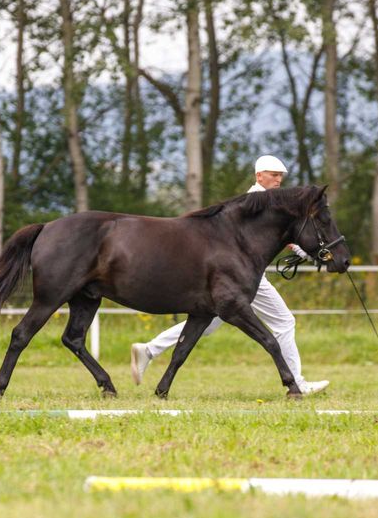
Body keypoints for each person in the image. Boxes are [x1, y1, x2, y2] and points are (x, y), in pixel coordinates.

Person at [129, 155, 329, 396]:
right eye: (274, 176)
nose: (278, 181)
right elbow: (280, 235)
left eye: (280, 177)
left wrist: (303, 250)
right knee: (284, 321)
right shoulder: (257, 202)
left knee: (208, 322)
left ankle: (149, 350)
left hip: (239, 276)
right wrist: (305, 251)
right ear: (259, 176)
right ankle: (297, 383)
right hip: (242, 277)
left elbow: (283, 236)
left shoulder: (265, 202)